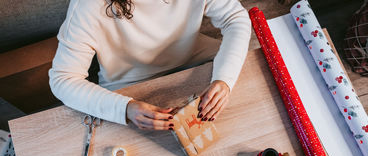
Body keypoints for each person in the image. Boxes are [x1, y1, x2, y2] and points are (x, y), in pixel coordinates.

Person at [49, 0, 251, 130]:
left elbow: (236, 18)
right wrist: (125, 108)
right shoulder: (87, 6)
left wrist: (224, 79)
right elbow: (63, 79)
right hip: (126, 87)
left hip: (195, 61)